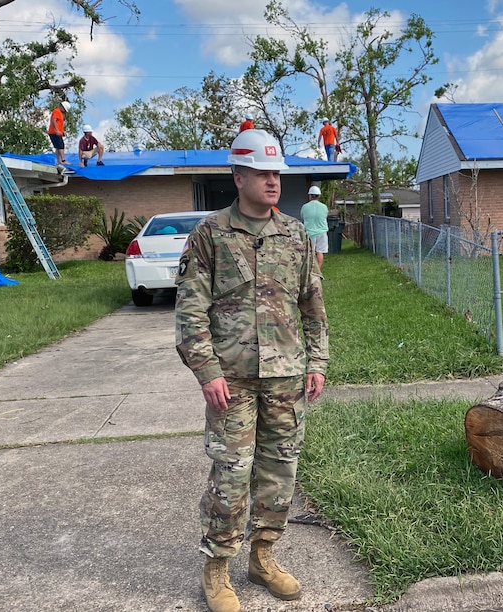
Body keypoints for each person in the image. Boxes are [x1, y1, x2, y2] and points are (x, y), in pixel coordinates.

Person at [175, 128, 328, 612]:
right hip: (232, 379)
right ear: (238, 176)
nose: (272, 181)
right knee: (232, 472)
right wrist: (207, 370)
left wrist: (317, 361)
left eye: (276, 173)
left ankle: (263, 557)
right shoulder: (210, 236)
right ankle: (217, 568)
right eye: (261, 173)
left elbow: (313, 307)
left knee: (279, 470)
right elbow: (190, 311)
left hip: (286, 376)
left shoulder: (296, 235)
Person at [299, 185, 330, 269]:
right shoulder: (324, 207)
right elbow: (325, 215)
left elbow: (302, 216)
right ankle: (318, 270)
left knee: (310, 252)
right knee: (320, 252)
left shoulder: (305, 207)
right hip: (322, 232)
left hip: (309, 233)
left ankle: (310, 269)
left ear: (310, 196)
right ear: (319, 196)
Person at [47, 100, 70, 166]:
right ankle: (63, 160)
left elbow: (58, 123)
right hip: (54, 132)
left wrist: (62, 131)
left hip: (55, 132)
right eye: (65, 110)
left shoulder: (59, 113)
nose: (64, 112)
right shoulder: (57, 111)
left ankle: (59, 161)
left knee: (58, 147)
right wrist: (57, 130)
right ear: (62, 107)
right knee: (61, 146)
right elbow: (54, 120)